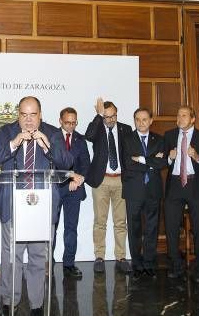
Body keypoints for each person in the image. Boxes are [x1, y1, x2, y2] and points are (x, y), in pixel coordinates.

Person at [0, 96, 72, 316]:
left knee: (37, 257)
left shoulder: (52, 133)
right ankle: (8, 301)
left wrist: (47, 146)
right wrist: (14, 143)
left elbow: (66, 162)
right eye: (24, 115)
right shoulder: (6, 132)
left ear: (40, 115)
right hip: (13, 204)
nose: (28, 120)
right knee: (11, 256)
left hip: (41, 207)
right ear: (18, 115)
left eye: (33, 115)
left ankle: (36, 304)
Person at [163, 106, 199, 283]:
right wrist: (169, 158)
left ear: (193, 119)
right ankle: (176, 266)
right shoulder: (169, 135)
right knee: (171, 228)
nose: (179, 118)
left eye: (184, 115)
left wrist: (197, 157)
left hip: (194, 185)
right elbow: (162, 160)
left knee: (198, 229)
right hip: (174, 185)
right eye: (178, 115)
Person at [84, 98, 132, 274]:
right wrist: (98, 116)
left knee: (120, 222)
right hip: (101, 180)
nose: (110, 120)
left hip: (121, 180)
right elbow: (88, 136)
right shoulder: (97, 128)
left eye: (113, 116)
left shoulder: (125, 129)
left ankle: (121, 257)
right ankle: (99, 257)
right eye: (107, 117)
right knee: (100, 221)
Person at [122, 107, 167, 280]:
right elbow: (128, 164)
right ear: (134, 121)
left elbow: (162, 162)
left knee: (152, 228)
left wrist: (141, 159)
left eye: (144, 119)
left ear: (151, 120)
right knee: (134, 229)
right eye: (137, 119)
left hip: (153, 190)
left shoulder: (159, 139)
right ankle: (137, 264)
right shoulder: (127, 139)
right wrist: (151, 161)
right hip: (133, 190)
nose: (141, 123)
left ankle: (149, 263)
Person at [53, 107, 89, 279]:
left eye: (74, 122)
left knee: (71, 227)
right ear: (60, 121)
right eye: (67, 122)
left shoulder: (80, 140)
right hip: (56, 188)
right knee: (51, 227)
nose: (71, 126)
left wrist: (78, 180)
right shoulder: (52, 138)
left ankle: (69, 264)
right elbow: (51, 164)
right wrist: (68, 178)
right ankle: (47, 263)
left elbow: (85, 165)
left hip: (74, 190)